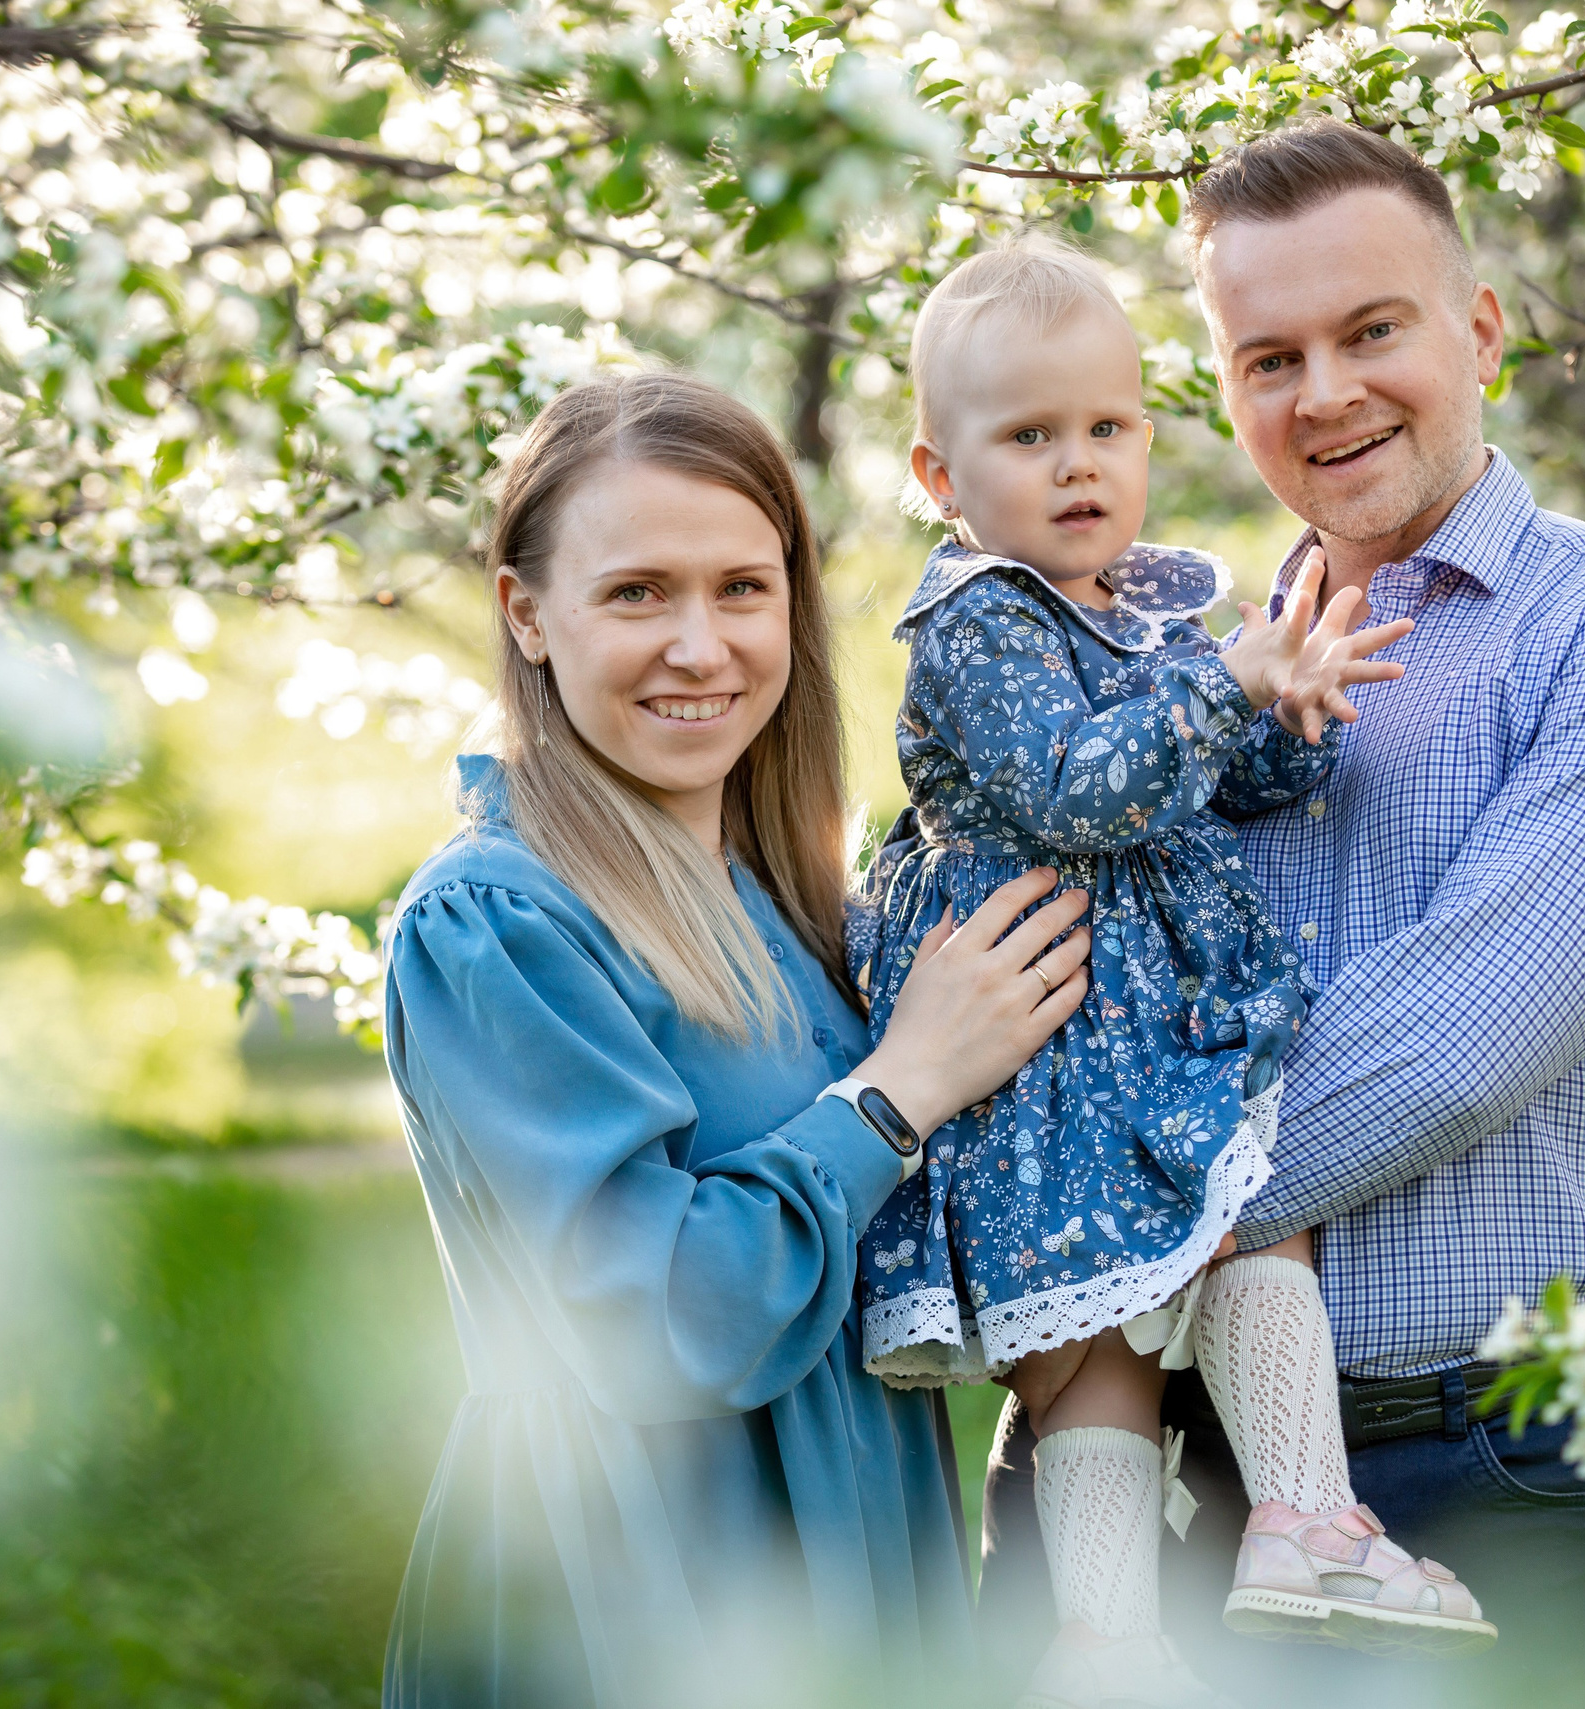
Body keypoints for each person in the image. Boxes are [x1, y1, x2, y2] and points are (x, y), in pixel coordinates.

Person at [973, 122, 1585, 1709]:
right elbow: (991, 948)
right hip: (1135, 1481)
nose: (1326, 394)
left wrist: (1062, 1201)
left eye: (1372, 332)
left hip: (1474, 1470)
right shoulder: (1163, 679)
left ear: (1478, 330)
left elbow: (1455, 1046)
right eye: (1268, 355)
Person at [378, 370, 1093, 1709]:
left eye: (741, 589)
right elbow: (658, 1314)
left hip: (855, 1551)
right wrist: (900, 1090)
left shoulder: (786, 898)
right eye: (638, 591)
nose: (700, 646)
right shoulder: (495, 919)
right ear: (526, 613)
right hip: (641, 1590)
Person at [852, 241, 1489, 1709]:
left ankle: (1291, 1525)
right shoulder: (980, 624)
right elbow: (1083, 791)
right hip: (1069, 1038)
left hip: (1137, 1019)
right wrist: (1228, 681)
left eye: (1108, 428)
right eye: (1030, 438)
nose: (1080, 467)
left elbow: (1198, 778)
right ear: (941, 477)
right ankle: (1125, 1632)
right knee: (1107, 1343)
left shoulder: (1131, 600)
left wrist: (1286, 712)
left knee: (1228, 1246)